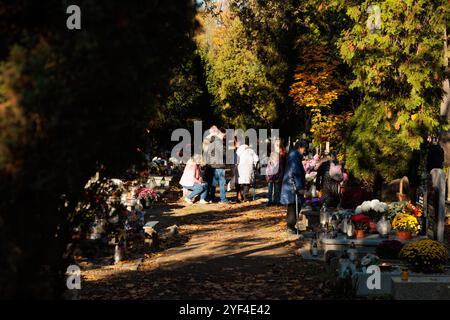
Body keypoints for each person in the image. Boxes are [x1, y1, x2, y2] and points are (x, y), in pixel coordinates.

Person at [281, 140, 308, 234]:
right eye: (304, 148)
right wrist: (297, 188)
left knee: (293, 206)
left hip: (292, 185)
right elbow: (293, 172)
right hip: (292, 187)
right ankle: (290, 226)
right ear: (300, 147)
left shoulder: (294, 156)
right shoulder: (294, 156)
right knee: (293, 206)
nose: (305, 151)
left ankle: (291, 226)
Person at [205, 128, 229, 204]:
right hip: (219, 166)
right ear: (222, 133)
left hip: (212, 166)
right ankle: (223, 199)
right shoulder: (220, 142)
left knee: (213, 184)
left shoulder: (211, 143)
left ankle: (211, 198)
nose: (225, 136)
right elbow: (224, 154)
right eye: (225, 135)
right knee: (222, 183)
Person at [235, 136, 259, 202]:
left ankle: (238, 196)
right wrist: (254, 165)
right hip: (249, 168)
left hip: (240, 169)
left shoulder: (239, 150)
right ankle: (245, 197)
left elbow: (236, 160)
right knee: (247, 183)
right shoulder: (251, 150)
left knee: (238, 182)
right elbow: (256, 159)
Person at [266, 138, 286, 206]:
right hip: (271, 174)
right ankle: (270, 201)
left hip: (278, 173)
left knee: (277, 188)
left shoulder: (282, 153)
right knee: (270, 188)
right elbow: (269, 165)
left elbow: (282, 165)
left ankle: (276, 201)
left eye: (278, 145)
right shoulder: (272, 153)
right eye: (275, 145)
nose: (276, 146)